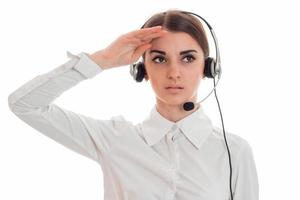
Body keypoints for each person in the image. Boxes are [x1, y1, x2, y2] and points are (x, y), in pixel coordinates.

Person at [8, 9, 259, 200]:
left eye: (188, 58)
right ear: (142, 69)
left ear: (208, 68)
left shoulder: (234, 151)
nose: (174, 73)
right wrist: (101, 60)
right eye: (159, 59)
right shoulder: (114, 139)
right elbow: (25, 105)